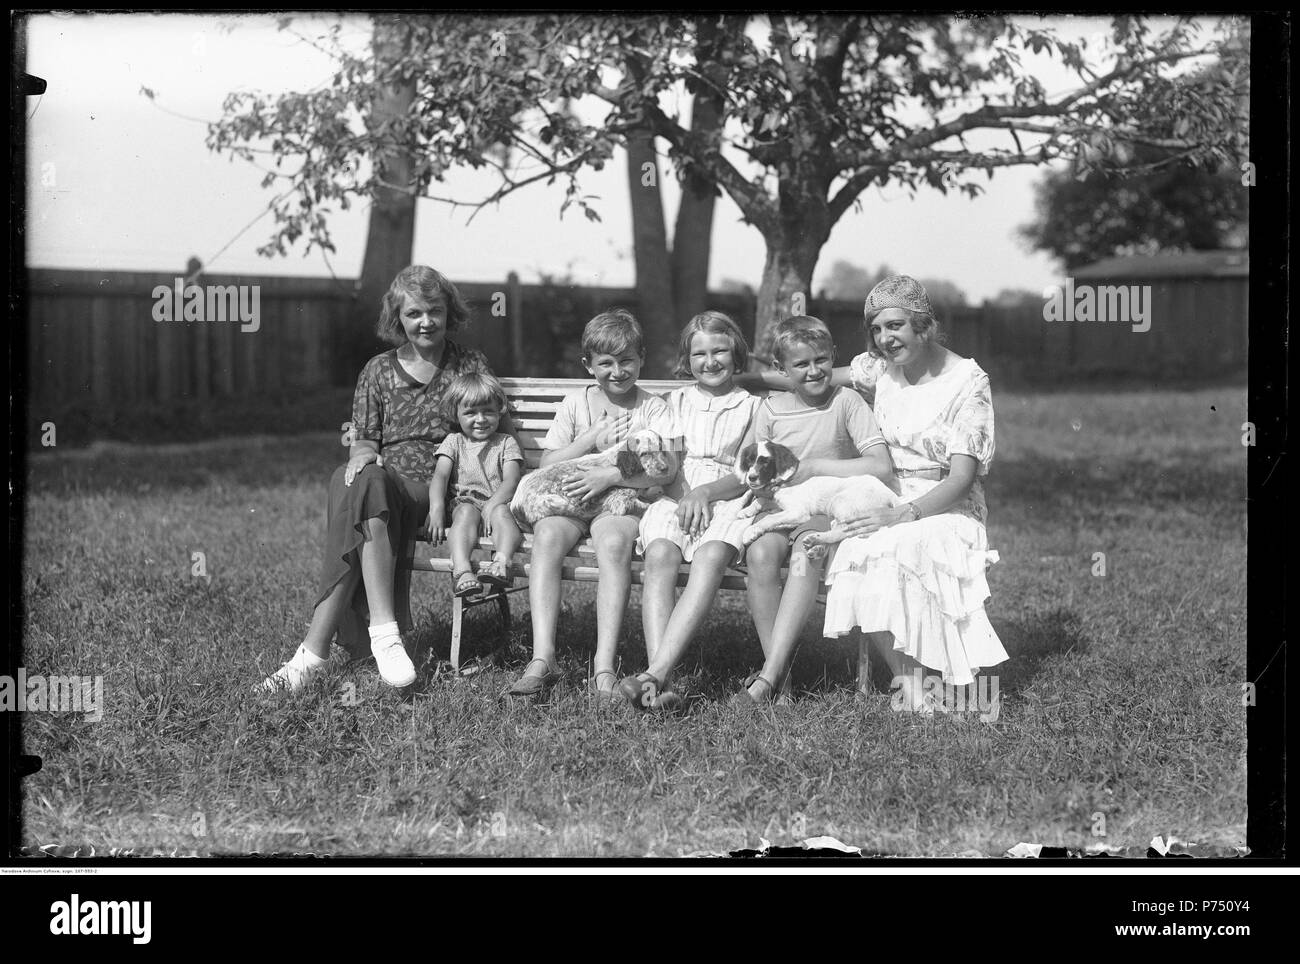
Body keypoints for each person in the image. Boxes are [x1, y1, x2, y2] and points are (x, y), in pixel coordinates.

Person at [258, 265, 502, 693]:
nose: (425, 322)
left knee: (356, 492)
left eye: (435, 311)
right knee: (354, 477)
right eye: (414, 314)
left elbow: (488, 426)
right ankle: (383, 634)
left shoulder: (468, 362)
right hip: (390, 488)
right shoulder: (377, 370)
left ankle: (312, 655)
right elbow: (364, 441)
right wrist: (363, 457)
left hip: (446, 492)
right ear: (397, 317)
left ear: (449, 313)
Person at [819, 276, 1008, 711]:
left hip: (947, 505)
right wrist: (746, 376)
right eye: (878, 329)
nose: (886, 339)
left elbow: (961, 479)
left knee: (901, 543)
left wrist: (902, 514)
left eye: (896, 326)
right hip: (887, 494)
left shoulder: (967, 381)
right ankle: (912, 686)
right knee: (857, 546)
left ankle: (931, 685)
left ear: (923, 326)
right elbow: (814, 375)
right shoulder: (880, 369)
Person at [507, 309, 677, 699]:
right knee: (548, 536)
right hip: (570, 498)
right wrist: (590, 439)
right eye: (606, 363)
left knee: (615, 544)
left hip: (622, 499)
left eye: (627, 361)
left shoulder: (654, 408)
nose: (617, 371)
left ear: (642, 359)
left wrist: (612, 474)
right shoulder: (575, 403)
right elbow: (548, 463)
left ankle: (603, 666)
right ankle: (543, 656)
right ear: (588, 365)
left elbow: (666, 468)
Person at [737, 317, 894, 704]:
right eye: (801, 364)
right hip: (780, 505)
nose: (813, 371)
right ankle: (783, 673)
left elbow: (879, 465)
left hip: (826, 507)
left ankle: (768, 677)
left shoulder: (846, 400)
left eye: (821, 360)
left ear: (833, 358)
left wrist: (815, 467)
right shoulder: (771, 409)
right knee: (759, 554)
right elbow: (752, 466)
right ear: (781, 370)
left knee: (807, 552)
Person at [617, 311, 760, 711]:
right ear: (687, 358)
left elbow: (747, 470)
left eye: (720, 351)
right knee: (661, 553)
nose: (710, 361)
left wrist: (706, 494)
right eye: (699, 354)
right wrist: (685, 494)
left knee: (712, 556)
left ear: (736, 352)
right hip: (677, 492)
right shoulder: (675, 402)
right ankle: (656, 681)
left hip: (728, 496)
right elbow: (666, 461)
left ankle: (655, 675)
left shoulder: (752, 407)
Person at [427, 372, 524, 599]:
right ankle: (461, 570)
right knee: (465, 512)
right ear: (456, 414)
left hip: (499, 501)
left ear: (499, 411)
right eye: (470, 412)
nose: (480, 419)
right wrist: (436, 507)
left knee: (502, 514)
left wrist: (492, 504)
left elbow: (512, 479)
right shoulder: (454, 442)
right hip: (466, 502)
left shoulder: (505, 442)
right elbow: (440, 476)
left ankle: (503, 562)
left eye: (488, 411)